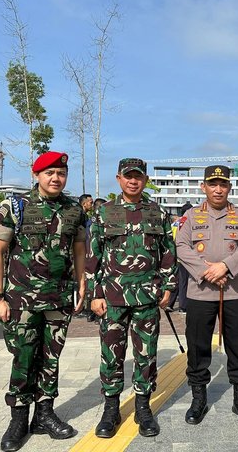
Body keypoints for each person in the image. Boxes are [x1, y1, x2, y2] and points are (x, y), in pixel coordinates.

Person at [0, 151, 86, 452]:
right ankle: (18, 419)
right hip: (21, 300)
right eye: (50, 173)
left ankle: (44, 414)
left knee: (51, 358)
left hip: (58, 299)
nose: (56, 178)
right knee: (24, 358)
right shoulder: (15, 206)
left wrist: (82, 284)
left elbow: (79, 249)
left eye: (61, 173)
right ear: (37, 175)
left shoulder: (74, 209)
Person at [88, 158, 177, 438]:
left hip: (147, 297)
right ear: (119, 179)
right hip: (113, 298)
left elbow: (167, 252)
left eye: (138, 177)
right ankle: (111, 409)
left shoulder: (157, 214)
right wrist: (94, 293)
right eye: (128, 177)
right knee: (111, 355)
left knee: (145, 355)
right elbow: (94, 255)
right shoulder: (104, 213)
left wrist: (169, 286)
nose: (133, 181)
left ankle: (143, 407)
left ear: (145, 180)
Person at [176, 165, 238, 427]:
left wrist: (226, 266)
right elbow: (181, 246)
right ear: (204, 187)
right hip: (200, 292)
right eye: (213, 184)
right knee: (198, 347)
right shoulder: (190, 216)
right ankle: (198, 399)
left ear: (229, 187)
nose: (218, 189)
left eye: (223, 184)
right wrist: (206, 271)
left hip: (234, 292)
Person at [79, 194, 96, 321]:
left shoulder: (86, 217)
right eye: (90, 202)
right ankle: (83, 308)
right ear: (84, 203)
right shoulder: (80, 216)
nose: (92, 204)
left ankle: (86, 308)